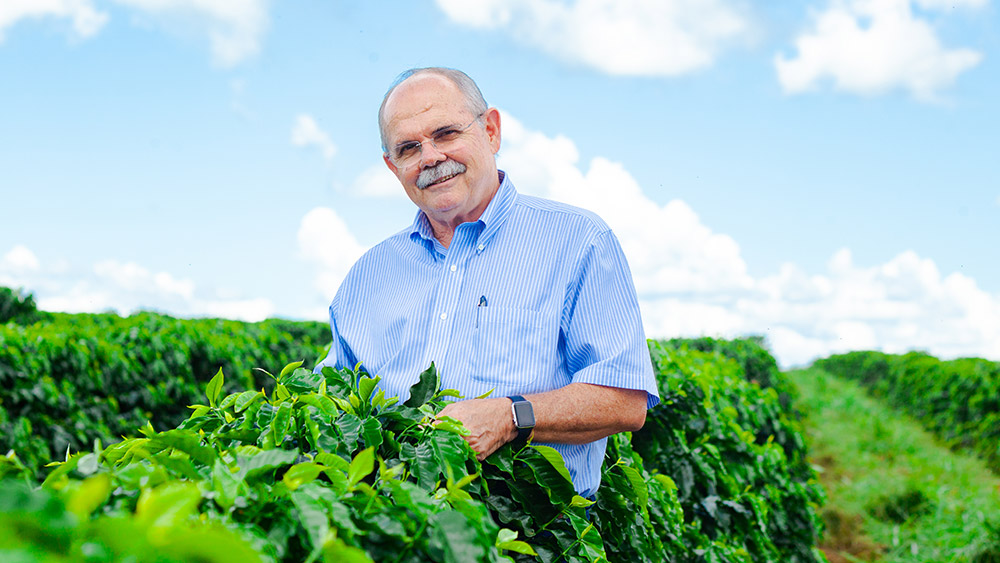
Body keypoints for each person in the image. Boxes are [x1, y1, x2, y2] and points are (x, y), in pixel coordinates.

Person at [317, 67, 659, 497]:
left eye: (445, 133)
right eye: (409, 148)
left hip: (533, 540)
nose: (430, 157)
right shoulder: (368, 275)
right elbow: (331, 398)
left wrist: (510, 416)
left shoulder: (578, 241)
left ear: (492, 132)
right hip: (396, 528)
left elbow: (624, 403)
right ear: (392, 166)